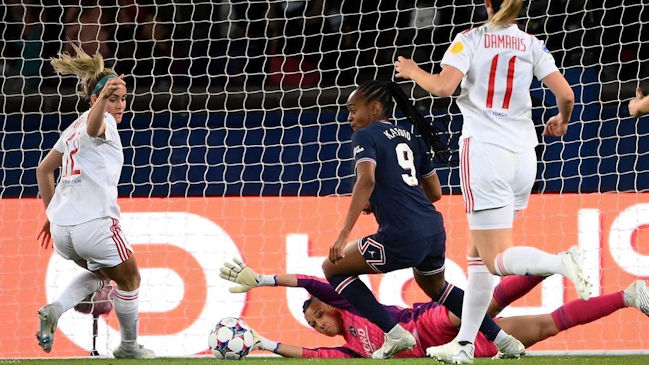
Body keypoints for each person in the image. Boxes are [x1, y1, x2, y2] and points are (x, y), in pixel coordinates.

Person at [394, 0, 589, 362]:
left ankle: (562, 262)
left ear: (486, 4)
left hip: (485, 152)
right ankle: (465, 344)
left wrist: (413, 70)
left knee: (494, 255)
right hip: (524, 156)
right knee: (478, 259)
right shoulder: (532, 43)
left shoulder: (470, 39)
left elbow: (443, 88)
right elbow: (566, 94)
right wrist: (561, 120)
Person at [320, 80, 524, 359]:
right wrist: (390, 199)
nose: (350, 117)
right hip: (432, 229)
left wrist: (344, 233)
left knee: (332, 268)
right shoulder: (409, 135)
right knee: (436, 286)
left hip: (402, 235)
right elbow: (435, 192)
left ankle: (394, 333)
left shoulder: (366, 136)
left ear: (375, 108)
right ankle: (503, 340)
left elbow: (365, 179)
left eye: (354, 110)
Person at [219, 259, 649, 359]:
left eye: (316, 315)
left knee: (481, 304)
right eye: (312, 324)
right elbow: (312, 357)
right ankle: (629, 296)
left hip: (428, 323)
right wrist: (263, 343)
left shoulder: (349, 305)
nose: (317, 324)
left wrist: (263, 281)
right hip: (445, 353)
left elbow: (313, 281)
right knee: (543, 327)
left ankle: (556, 262)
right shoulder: (351, 351)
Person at [35, 44, 154, 359]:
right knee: (130, 278)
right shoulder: (100, 122)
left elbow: (44, 169)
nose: (118, 105)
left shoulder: (71, 128)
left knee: (104, 274)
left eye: (122, 99)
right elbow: (94, 126)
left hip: (63, 231)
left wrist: (51, 213)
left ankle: (55, 308)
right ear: (94, 100)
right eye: (111, 98)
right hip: (95, 225)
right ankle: (129, 348)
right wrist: (104, 101)